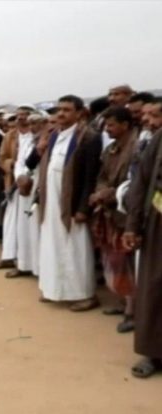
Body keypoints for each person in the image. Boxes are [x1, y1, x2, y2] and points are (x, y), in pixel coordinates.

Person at [37, 95, 102, 311]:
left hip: (72, 203)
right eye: (59, 110)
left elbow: (90, 176)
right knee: (52, 244)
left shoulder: (89, 137)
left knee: (76, 248)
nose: (61, 114)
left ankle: (84, 294)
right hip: (51, 201)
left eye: (66, 110)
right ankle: (53, 289)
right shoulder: (54, 135)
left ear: (79, 113)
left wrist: (83, 207)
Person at [88, 107, 137, 333]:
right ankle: (123, 302)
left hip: (127, 214)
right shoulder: (110, 149)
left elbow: (135, 182)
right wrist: (101, 192)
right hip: (108, 211)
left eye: (111, 125)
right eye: (106, 125)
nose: (107, 129)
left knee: (129, 263)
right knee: (115, 261)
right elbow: (102, 177)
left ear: (125, 125)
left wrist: (112, 193)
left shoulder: (138, 147)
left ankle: (132, 311)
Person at [123, 128, 162, 378]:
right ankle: (153, 351)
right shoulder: (159, 138)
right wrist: (132, 225)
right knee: (155, 287)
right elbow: (142, 182)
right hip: (158, 222)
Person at [0, 105, 35, 270]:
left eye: (25, 115)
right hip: (12, 184)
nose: (21, 118)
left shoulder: (37, 135)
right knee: (11, 222)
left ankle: (25, 262)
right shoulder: (10, 135)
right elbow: (2, 158)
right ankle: (8, 257)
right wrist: (10, 164)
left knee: (26, 224)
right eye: (19, 115)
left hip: (30, 186)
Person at [7, 113, 47, 278]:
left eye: (36, 123)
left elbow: (33, 164)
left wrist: (27, 178)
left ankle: (39, 268)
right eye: (30, 123)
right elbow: (20, 163)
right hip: (23, 187)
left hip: (38, 186)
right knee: (24, 228)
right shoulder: (28, 141)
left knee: (36, 228)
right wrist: (19, 179)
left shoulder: (45, 141)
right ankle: (24, 264)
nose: (33, 126)